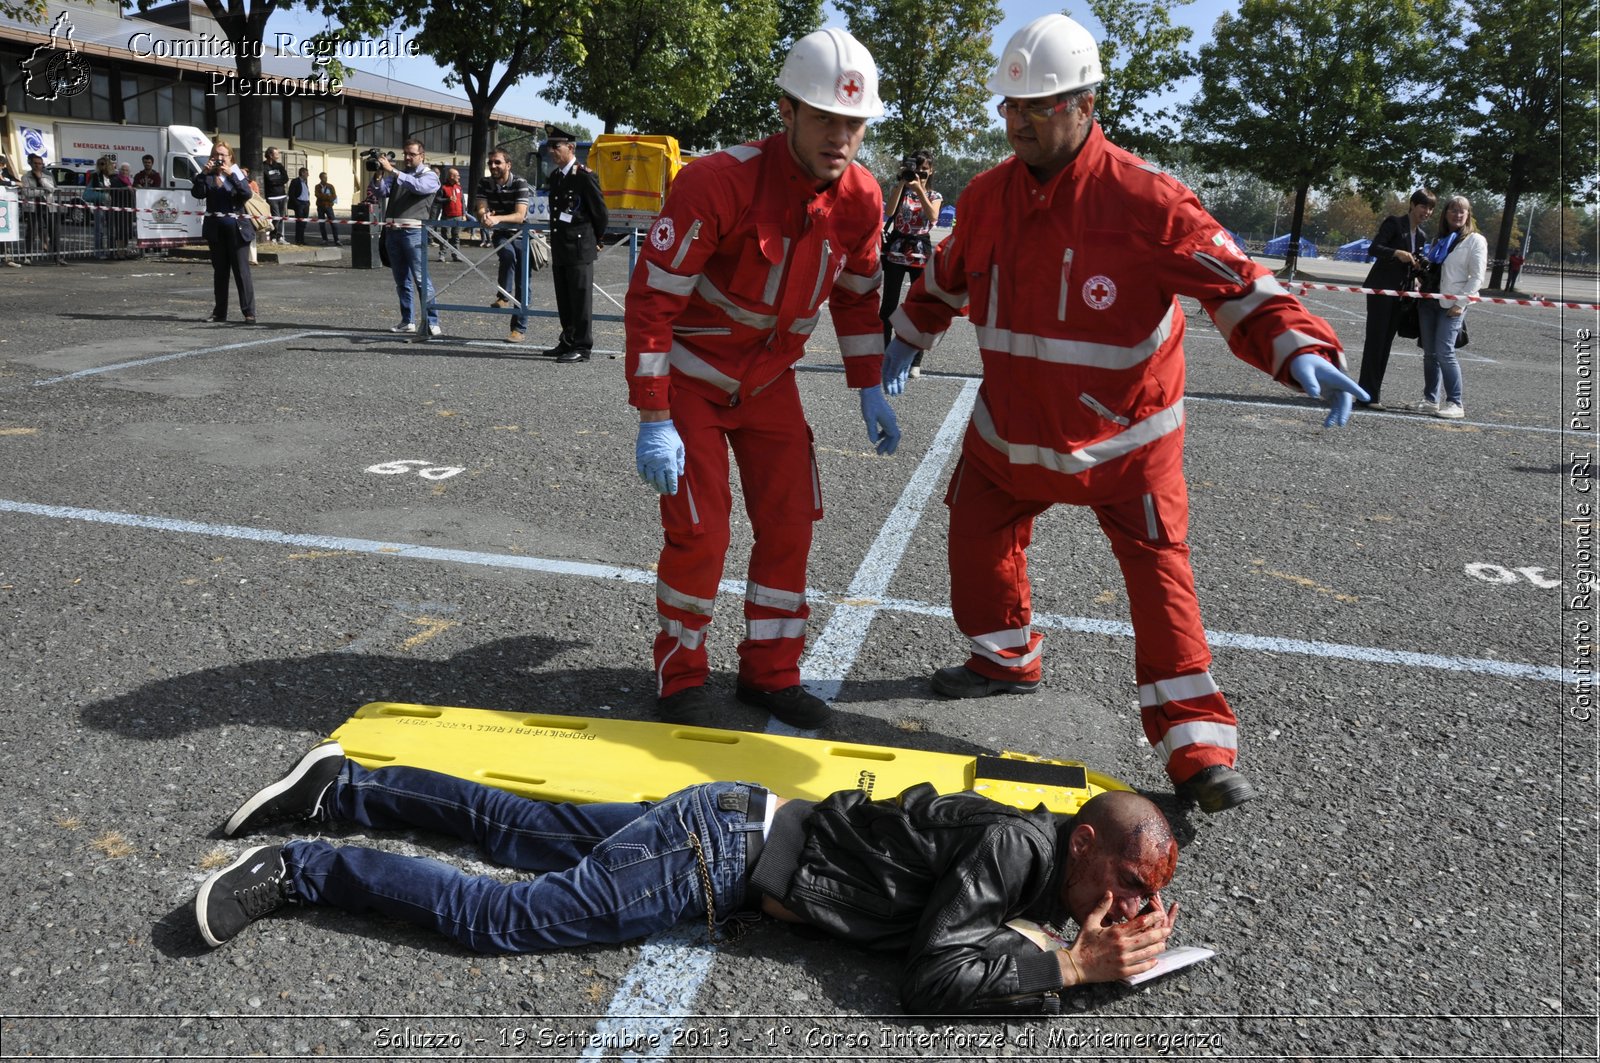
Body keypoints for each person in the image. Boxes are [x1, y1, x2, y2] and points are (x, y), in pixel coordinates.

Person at [881, 14, 1368, 815]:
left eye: (1036, 107)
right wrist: (907, 336)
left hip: (1126, 445)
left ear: (1085, 102)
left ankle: (1197, 745)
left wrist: (1299, 348)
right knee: (976, 536)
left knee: (1161, 578)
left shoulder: (1148, 200)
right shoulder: (987, 196)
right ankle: (1003, 656)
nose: (1018, 123)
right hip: (1012, 435)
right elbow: (944, 276)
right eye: (1010, 108)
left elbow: (1238, 283)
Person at [194, 740, 1182, 1014]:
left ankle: (344, 785)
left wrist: (1065, 938)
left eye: (1149, 899)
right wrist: (1070, 971)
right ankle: (301, 868)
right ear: (1084, 843)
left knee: (522, 825)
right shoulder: (1017, 847)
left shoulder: (1048, 861)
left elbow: (969, 937)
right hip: (718, 855)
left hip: (732, 817)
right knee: (506, 914)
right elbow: (929, 977)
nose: (1134, 909)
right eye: (1130, 885)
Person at [626, 28, 898, 728]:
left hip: (769, 380)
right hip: (691, 378)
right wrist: (655, 416)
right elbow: (653, 300)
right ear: (786, 111)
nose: (841, 136)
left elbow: (860, 294)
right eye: (825, 119)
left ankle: (770, 673)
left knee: (790, 525)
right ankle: (681, 673)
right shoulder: (718, 182)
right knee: (701, 533)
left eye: (854, 122)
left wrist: (869, 379)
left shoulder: (865, 199)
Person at [1355, 190, 1435, 409]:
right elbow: (1375, 248)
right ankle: (1368, 395)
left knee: (1386, 343)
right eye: (1423, 207)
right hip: (1381, 290)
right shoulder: (1394, 223)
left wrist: (1418, 267)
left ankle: (1372, 393)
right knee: (1375, 341)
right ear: (1412, 205)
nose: (1426, 212)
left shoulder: (1421, 236)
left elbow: (1412, 264)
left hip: (1402, 295)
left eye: (1430, 209)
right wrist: (1396, 253)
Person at [1413, 195, 1487, 420]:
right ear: (1445, 214)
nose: (1457, 214)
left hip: (1452, 304)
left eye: (1461, 210)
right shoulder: (1439, 239)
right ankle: (1430, 400)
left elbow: (1477, 277)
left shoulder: (1475, 240)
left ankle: (1455, 402)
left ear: (1468, 215)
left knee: (1445, 352)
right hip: (1429, 300)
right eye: (1453, 210)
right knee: (1429, 354)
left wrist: (1461, 303)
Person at [543, 127, 608, 362]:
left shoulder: (584, 176)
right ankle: (568, 340)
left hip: (580, 247)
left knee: (580, 299)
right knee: (564, 297)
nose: (552, 151)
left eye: (556, 147)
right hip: (561, 246)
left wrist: (596, 240)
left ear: (570, 148)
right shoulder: (557, 176)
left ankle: (583, 346)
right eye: (550, 147)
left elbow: (600, 213)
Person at [879, 149, 942, 378]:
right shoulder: (903, 190)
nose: (919, 176)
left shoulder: (934, 195)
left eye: (924, 172)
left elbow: (932, 217)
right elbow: (889, 212)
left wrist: (920, 190)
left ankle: (915, 360)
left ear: (931, 172)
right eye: (917, 171)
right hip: (896, 252)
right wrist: (902, 184)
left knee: (919, 309)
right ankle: (884, 353)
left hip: (920, 254)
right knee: (888, 308)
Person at [374, 137, 442, 338]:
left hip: (413, 232)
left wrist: (393, 171)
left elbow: (419, 188)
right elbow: (381, 191)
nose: (407, 157)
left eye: (412, 154)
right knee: (401, 279)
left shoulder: (429, 176)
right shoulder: (399, 175)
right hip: (393, 230)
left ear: (422, 156)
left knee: (421, 279)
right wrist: (379, 175)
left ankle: (431, 322)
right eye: (406, 153)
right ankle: (407, 321)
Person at [189, 140, 255, 324]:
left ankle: (249, 312)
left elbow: (246, 194)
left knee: (242, 272)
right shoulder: (208, 176)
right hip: (215, 231)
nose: (219, 158)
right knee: (220, 273)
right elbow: (197, 193)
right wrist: (203, 173)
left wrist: (231, 175)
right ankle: (220, 313)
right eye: (216, 154)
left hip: (238, 229)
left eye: (223, 155)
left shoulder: (237, 173)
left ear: (230, 157)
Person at [473, 149, 533, 343]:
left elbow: (520, 215)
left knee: (523, 283)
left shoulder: (520, 183)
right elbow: (480, 206)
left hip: (523, 234)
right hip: (502, 233)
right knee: (506, 255)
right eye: (490, 163)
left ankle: (518, 328)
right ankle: (503, 296)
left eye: (497, 162)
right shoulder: (485, 182)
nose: (493, 166)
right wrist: (484, 215)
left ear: (508, 165)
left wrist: (496, 218)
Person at [22, 153, 58, 262]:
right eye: (36, 163)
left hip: (48, 206)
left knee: (53, 231)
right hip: (33, 207)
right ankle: (27, 256)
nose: (38, 166)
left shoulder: (48, 176)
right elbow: (27, 192)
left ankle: (57, 256)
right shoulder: (25, 177)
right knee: (31, 232)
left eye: (40, 164)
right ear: (31, 164)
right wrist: (42, 191)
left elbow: (51, 189)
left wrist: (40, 179)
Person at [86, 155, 116, 259]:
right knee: (99, 230)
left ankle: (112, 251)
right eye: (99, 164)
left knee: (112, 229)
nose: (101, 166)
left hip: (111, 205)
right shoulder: (95, 176)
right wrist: (103, 188)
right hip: (100, 204)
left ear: (107, 165)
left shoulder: (113, 176)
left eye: (103, 164)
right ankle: (98, 252)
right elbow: (94, 188)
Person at [260, 147, 289, 245]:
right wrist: (277, 181)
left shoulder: (279, 166)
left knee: (281, 217)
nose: (278, 155)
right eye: (276, 154)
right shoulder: (264, 166)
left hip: (282, 195)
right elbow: (269, 180)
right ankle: (273, 236)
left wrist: (275, 181)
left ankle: (279, 237)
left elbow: (285, 178)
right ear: (271, 155)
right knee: (276, 217)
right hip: (272, 197)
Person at [437, 166, 465, 262]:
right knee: (444, 236)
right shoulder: (443, 187)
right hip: (447, 216)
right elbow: (437, 199)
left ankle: (456, 255)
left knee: (456, 237)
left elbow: (462, 202)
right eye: (457, 175)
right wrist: (448, 199)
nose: (459, 177)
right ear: (451, 176)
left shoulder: (459, 187)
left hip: (459, 216)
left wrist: (464, 214)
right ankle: (442, 255)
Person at [313, 172, 340, 246]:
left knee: (333, 223)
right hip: (320, 207)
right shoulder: (317, 187)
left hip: (329, 207)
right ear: (320, 178)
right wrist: (327, 196)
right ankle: (324, 239)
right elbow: (317, 195)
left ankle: (336, 240)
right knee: (322, 224)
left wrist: (325, 197)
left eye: (326, 177)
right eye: (324, 177)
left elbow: (334, 196)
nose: (326, 179)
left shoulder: (330, 186)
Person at [288, 166, 311, 245]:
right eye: (306, 173)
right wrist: (297, 203)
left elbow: (306, 192)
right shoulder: (295, 181)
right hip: (300, 204)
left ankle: (302, 240)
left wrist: (308, 202)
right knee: (299, 223)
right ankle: (298, 240)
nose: (308, 175)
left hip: (306, 204)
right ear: (302, 173)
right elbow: (291, 193)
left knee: (304, 223)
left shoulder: (305, 182)